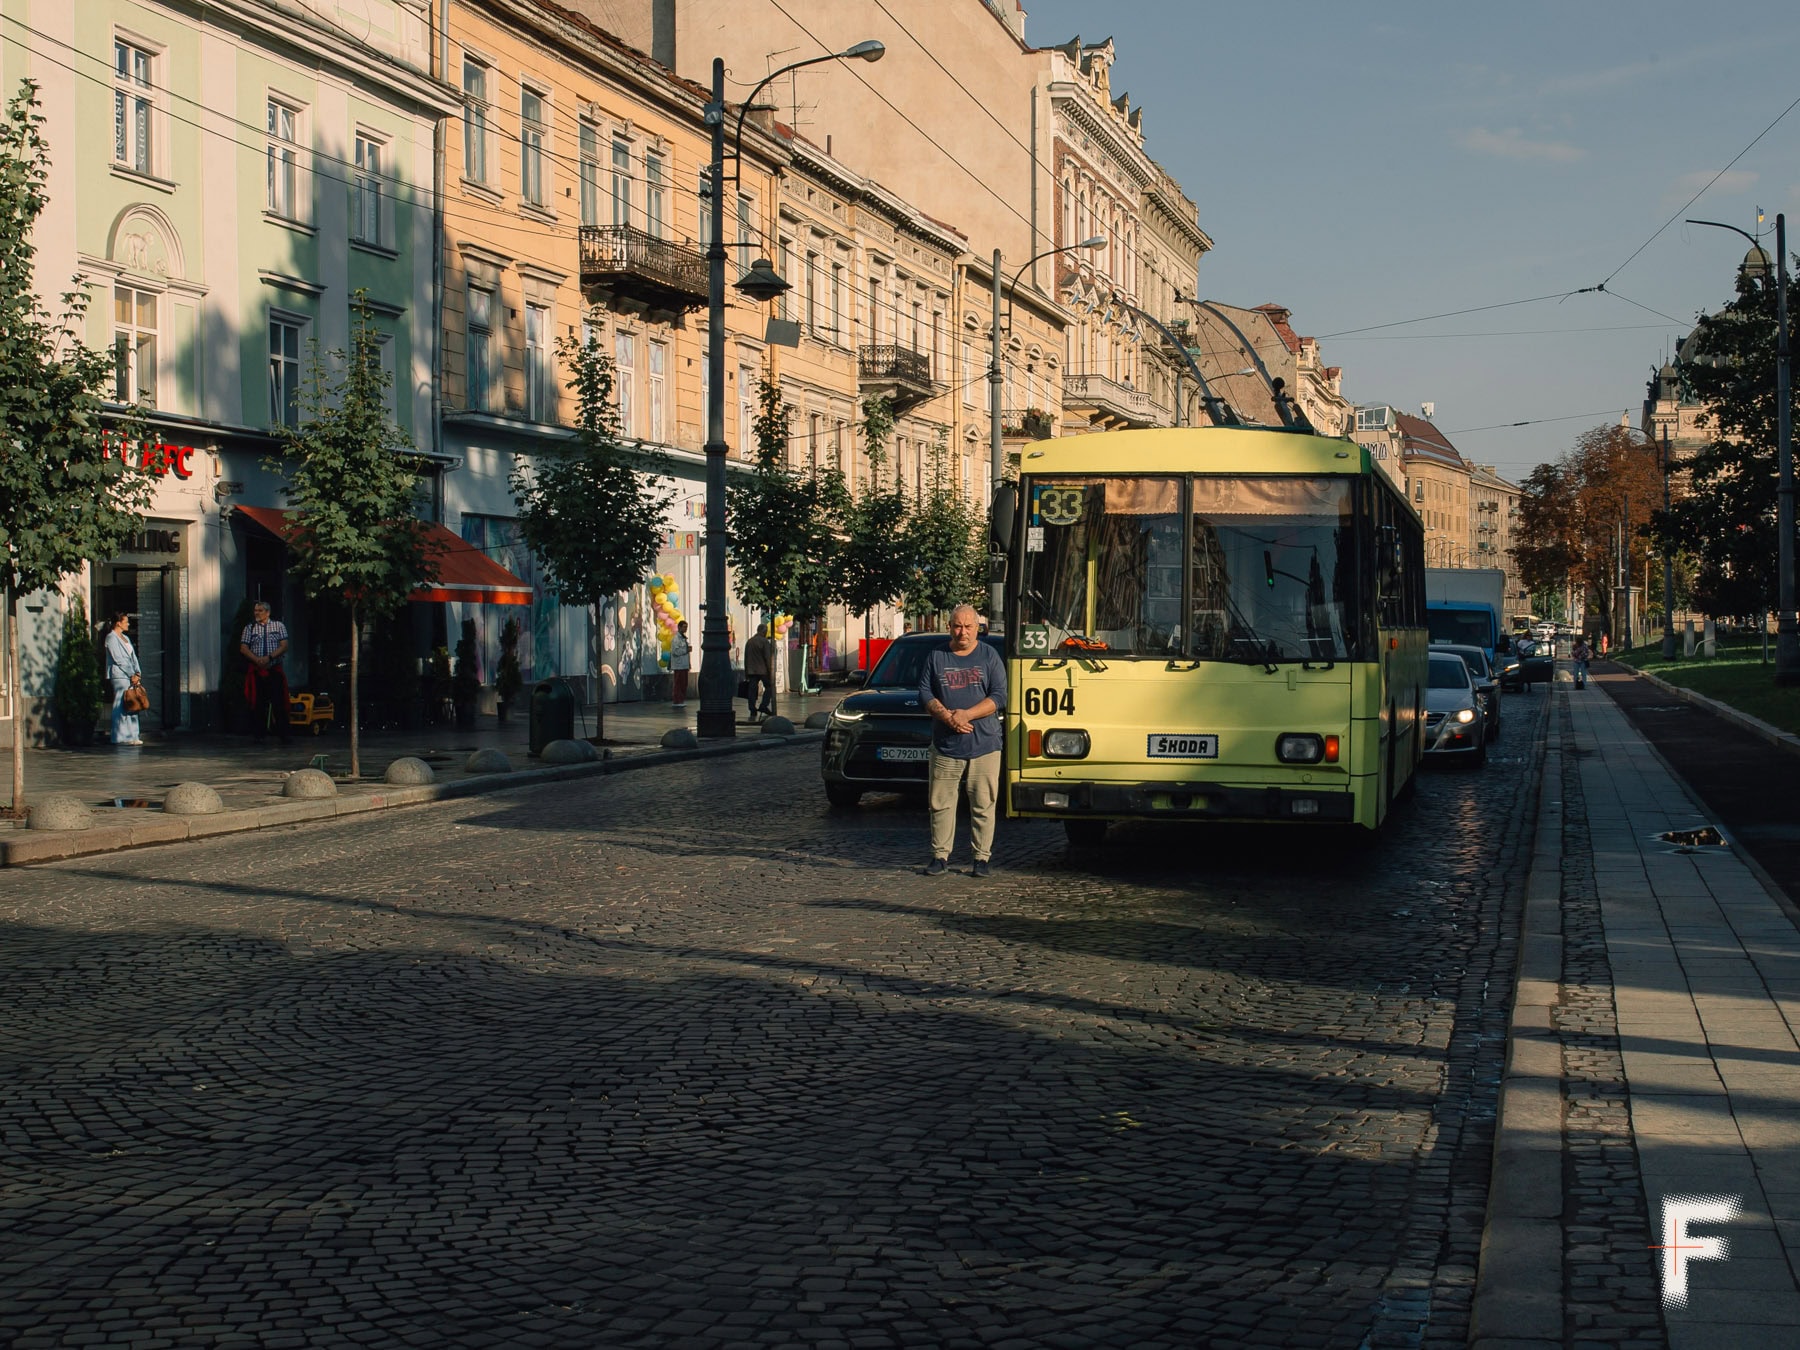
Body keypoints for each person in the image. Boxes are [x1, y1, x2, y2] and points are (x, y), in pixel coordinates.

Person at [918, 603, 1008, 877]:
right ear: (949, 627)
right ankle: (939, 857)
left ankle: (981, 859)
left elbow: (999, 696)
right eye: (957, 626)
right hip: (946, 744)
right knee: (940, 804)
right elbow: (925, 693)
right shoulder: (936, 656)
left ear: (977, 628)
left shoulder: (989, 656)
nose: (963, 632)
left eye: (969, 626)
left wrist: (966, 715)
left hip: (985, 745)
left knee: (983, 804)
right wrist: (948, 717)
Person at [239, 600, 293, 745]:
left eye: (260, 610)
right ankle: (259, 734)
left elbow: (284, 646)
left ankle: (283, 734)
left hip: (273, 669)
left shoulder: (278, 626)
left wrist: (269, 657)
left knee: (278, 702)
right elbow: (243, 648)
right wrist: (257, 660)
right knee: (258, 703)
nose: (257, 613)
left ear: (267, 612)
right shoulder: (249, 628)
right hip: (257, 670)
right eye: (255, 610)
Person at [103, 610, 143, 747]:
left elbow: (133, 657)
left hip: (131, 675)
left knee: (132, 703)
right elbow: (118, 658)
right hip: (120, 675)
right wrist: (131, 674)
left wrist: (137, 673)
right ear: (118, 623)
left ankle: (133, 735)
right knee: (121, 704)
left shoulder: (126, 638)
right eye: (126, 622)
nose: (128, 624)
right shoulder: (111, 638)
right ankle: (119, 736)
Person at [743, 622, 776, 721]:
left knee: (752, 690)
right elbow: (767, 657)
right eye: (766, 631)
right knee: (769, 687)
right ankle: (763, 705)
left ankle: (752, 708)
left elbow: (746, 657)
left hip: (751, 670)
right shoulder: (764, 642)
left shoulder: (750, 641)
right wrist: (770, 671)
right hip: (763, 670)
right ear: (764, 631)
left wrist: (746, 671)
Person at [669, 620, 691, 707]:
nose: (685, 629)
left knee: (684, 683)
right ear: (679, 627)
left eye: (686, 627)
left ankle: (681, 700)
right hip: (679, 665)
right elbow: (675, 651)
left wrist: (689, 663)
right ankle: (677, 700)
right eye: (684, 627)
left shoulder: (684, 638)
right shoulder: (676, 639)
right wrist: (686, 650)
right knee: (678, 683)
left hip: (684, 665)